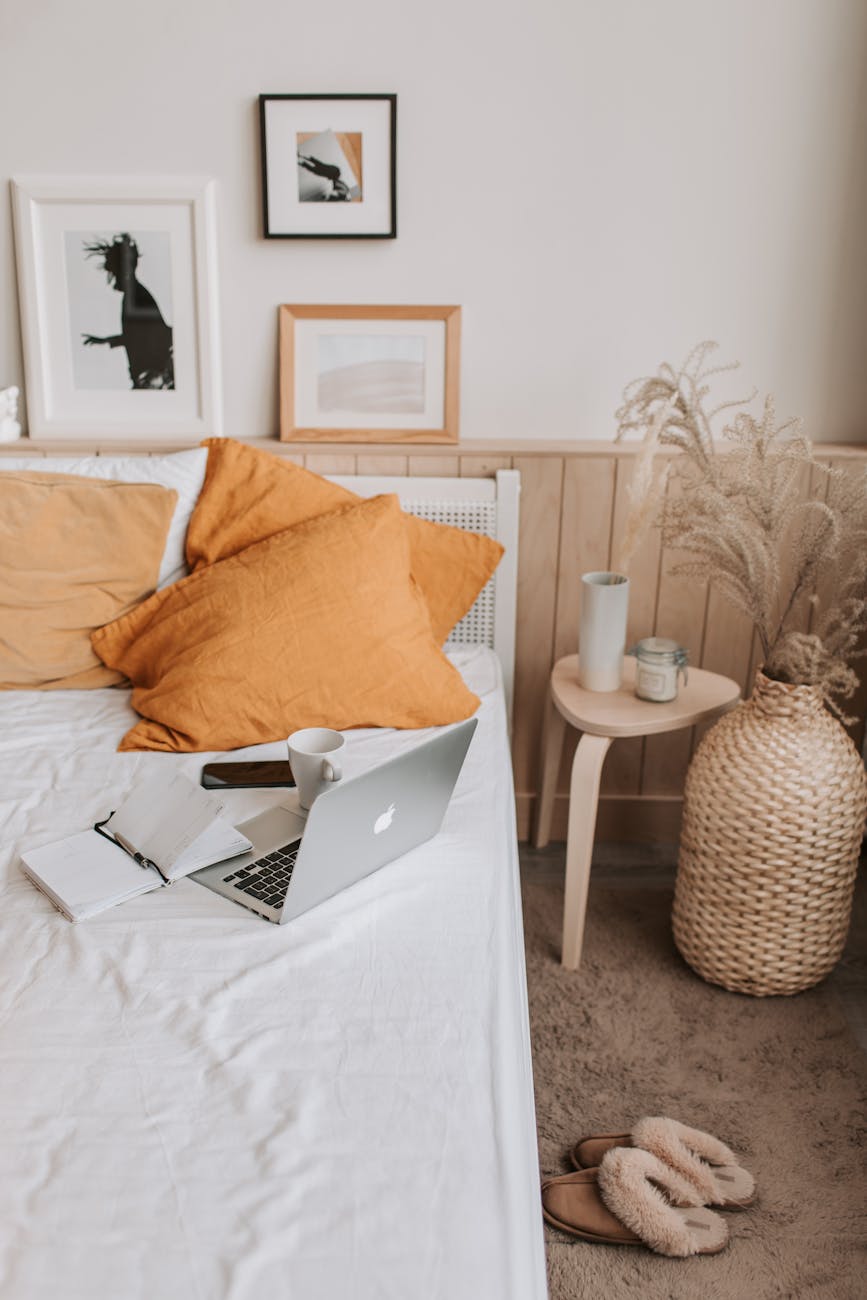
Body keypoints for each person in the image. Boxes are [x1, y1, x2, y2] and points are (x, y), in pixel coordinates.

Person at [81, 233, 174, 389]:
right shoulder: (133, 297)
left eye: (116, 273)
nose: (114, 279)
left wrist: (160, 376)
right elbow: (137, 336)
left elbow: (160, 334)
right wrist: (106, 341)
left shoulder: (137, 297)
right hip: (148, 379)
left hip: (153, 380)